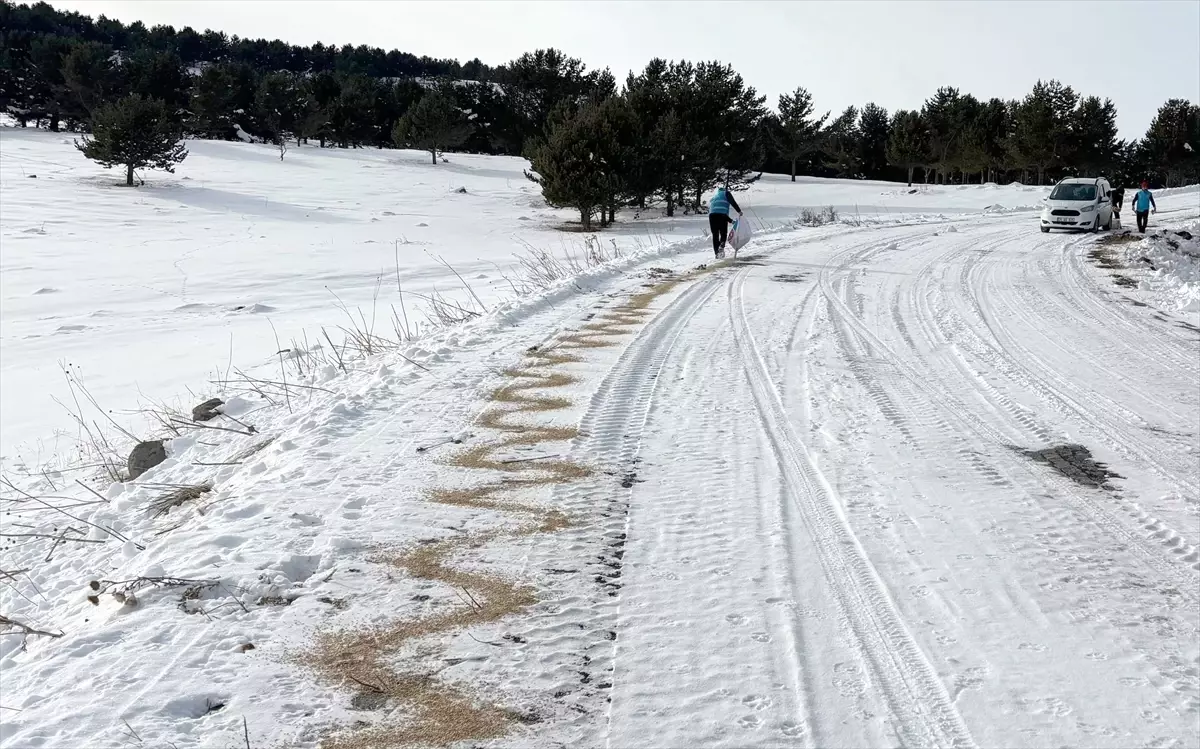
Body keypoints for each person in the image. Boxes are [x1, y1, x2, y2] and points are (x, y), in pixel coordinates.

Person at [708, 185, 742, 258]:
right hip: (722, 215)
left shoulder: (714, 198)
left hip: (712, 216)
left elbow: (715, 210)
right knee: (723, 233)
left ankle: (717, 253)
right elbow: (733, 202)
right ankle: (722, 245)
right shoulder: (726, 193)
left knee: (715, 235)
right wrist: (739, 211)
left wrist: (731, 221)